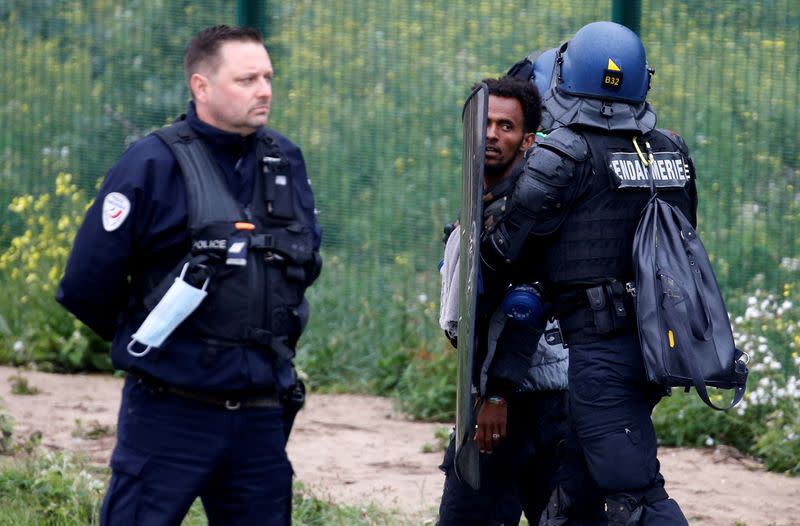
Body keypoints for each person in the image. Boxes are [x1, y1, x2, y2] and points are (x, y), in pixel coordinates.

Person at [56, 25, 321, 525]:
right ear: (201, 87)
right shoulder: (151, 163)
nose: (264, 89)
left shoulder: (284, 161)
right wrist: (162, 345)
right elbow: (87, 286)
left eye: (267, 76)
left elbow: (303, 266)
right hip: (169, 413)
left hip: (261, 415)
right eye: (246, 79)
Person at [482, 22, 694, 525]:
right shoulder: (671, 151)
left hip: (601, 355)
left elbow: (501, 253)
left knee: (637, 498)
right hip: (652, 349)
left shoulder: (563, 153)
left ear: (564, 77)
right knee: (573, 496)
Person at [436, 76, 571, 526]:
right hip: (502, 390)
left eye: (506, 127)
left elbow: (524, 309)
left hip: (526, 397)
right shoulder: (483, 197)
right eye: (485, 123)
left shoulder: (526, 206)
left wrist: (495, 394)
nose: (492, 134)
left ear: (528, 139)